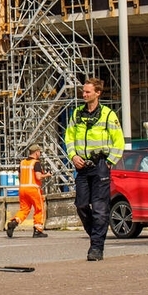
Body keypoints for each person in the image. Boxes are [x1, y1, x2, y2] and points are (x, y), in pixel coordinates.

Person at [64, 78, 125, 261]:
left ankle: (96, 247)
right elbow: (69, 137)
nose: (84, 94)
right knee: (81, 205)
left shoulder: (108, 115)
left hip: (100, 165)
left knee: (99, 208)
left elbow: (118, 141)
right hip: (82, 166)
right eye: (83, 91)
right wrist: (73, 156)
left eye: (88, 92)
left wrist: (110, 161)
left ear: (98, 93)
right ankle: (96, 236)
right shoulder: (77, 113)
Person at [6, 144, 51, 238]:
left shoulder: (22, 163)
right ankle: (38, 230)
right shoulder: (36, 163)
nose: (40, 154)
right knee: (39, 209)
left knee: (24, 209)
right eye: (39, 152)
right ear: (36, 152)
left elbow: (19, 176)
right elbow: (38, 177)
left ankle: (13, 222)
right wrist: (47, 175)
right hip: (33, 189)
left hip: (22, 189)